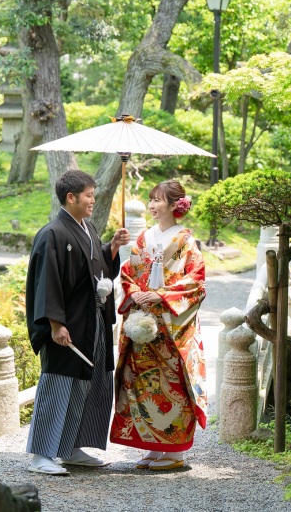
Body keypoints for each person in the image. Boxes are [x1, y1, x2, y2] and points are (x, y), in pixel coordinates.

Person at [25, 170, 130, 475]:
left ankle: (71, 447)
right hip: (67, 325)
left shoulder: (88, 228)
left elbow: (96, 264)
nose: (92, 201)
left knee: (88, 384)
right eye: (88, 195)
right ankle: (42, 454)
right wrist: (55, 324)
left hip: (91, 319)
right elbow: (48, 282)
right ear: (70, 198)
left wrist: (111, 248)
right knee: (58, 382)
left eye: (93, 195)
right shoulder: (52, 234)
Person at [110, 179, 207, 470]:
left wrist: (161, 295)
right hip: (145, 324)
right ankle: (153, 446)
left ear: (175, 205)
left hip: (171, 326)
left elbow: (196, 281)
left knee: (172, 383)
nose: (152, 205)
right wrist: (134, 292)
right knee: (141, 382)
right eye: (150, 199)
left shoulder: (186, 241)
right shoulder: (144, 238)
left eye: (158, 200)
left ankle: (174, 453)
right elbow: (128, 272)